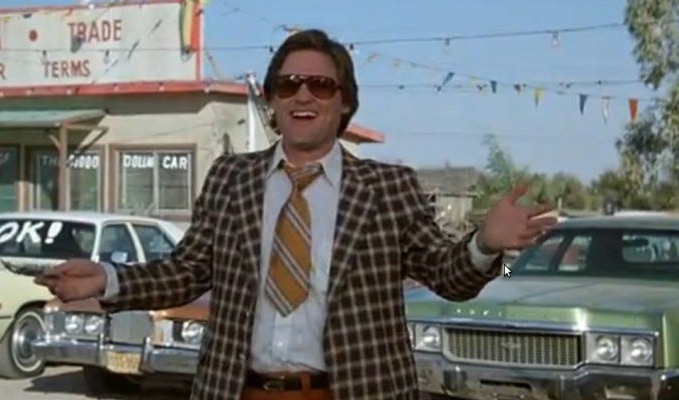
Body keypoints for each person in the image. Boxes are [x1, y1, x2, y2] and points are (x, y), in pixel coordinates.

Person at [35, 29, 557, 400]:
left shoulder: (387, 187)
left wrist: (485, 244)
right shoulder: (231, 178)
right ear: (272, 100)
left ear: (345, 103)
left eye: (321, 85)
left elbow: (447, 275)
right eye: (287, 85)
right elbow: (186, 271)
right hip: (239, 390)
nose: (302, 95)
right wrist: (107, 279)